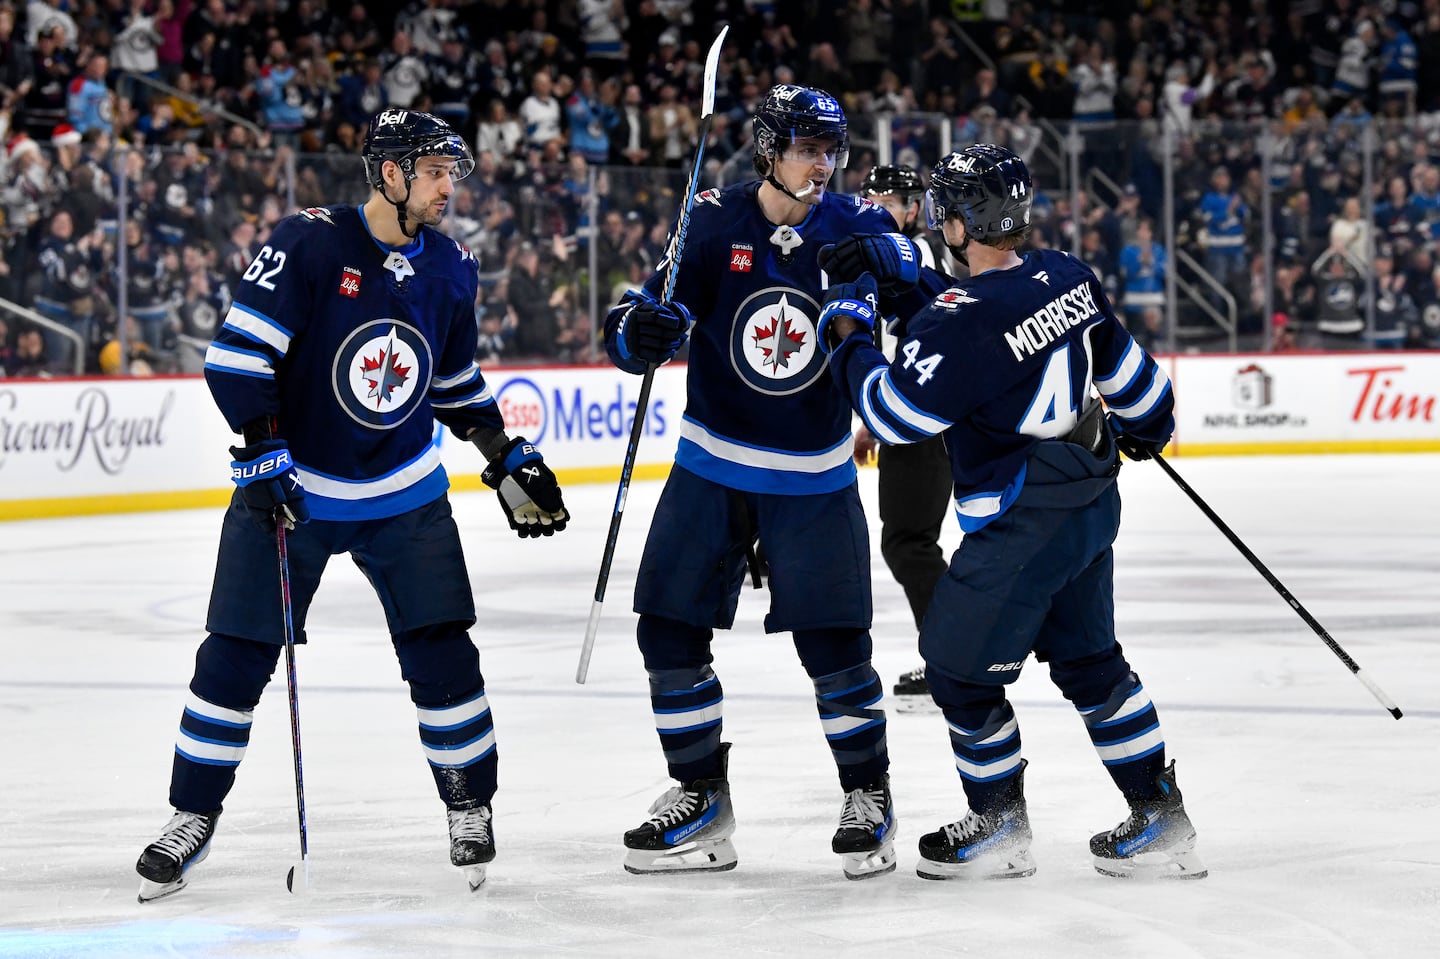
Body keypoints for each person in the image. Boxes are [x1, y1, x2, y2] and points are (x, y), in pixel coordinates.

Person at [134, 109, 570, 901]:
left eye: (451, 172)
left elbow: (453, 383)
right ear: (390, 173)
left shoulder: (452, 266)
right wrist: (263, 448)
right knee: (233, 654)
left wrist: (504, 452)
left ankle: (469, 802)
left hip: (404, 493)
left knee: (443, 650)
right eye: (435, 171)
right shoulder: (307, 242)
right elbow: (238, 358)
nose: (449, 187)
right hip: (295, 486)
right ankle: (189, 813)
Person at [817, 143, 1205, 882]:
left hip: (1024, 519)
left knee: (956, 671)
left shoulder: (961, 318)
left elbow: (891, 413)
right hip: (1090, 497)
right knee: (1093, 662)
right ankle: (1162, 817)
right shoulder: (1067, 274)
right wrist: (1146, 429)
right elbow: (1144, 398)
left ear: (960, 221)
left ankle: (999, 823)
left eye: (945, 212)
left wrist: (849, 326)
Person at [602, 85, 901, 881]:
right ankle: (700, 794)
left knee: (836, 646)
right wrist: (641, 331)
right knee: (665, 632)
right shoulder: (711, 217)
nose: (824, 163)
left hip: (812, 473)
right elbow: (639, 319)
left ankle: (868, 793)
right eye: (808, 148)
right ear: (770, 150)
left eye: (832, 149)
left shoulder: (860, 225)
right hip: (712, 462)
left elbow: (891, 309)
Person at [851, 164, 954, 705]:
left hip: (925, 421)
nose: (874, 205)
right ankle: (953, 656)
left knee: (909, 543)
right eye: (867, 196)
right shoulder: (905, 252)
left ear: (914, 207)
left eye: (886, 198)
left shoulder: (917, 254)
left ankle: (951, 661)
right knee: (912, 543)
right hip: (921, 417)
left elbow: (926, 345)